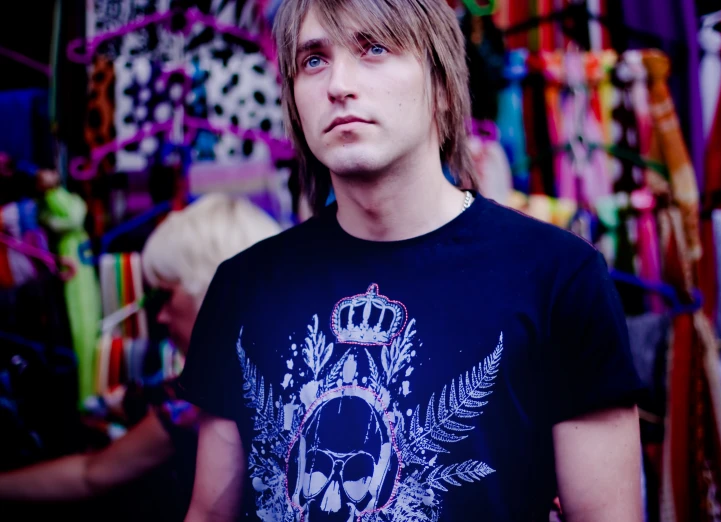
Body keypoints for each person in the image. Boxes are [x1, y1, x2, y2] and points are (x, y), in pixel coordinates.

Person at [178, 0, 645, 521]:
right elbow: (209, 513)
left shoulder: (558, 278)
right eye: (313, 60)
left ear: (442, 88)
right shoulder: (243, 288)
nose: (338, 84)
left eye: (373, 48)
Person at [0, 194, 281, 521]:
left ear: (211, 294)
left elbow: (93, 474)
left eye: (166, 295)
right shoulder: (288, 382)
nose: (159, 316)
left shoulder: (196, 404)